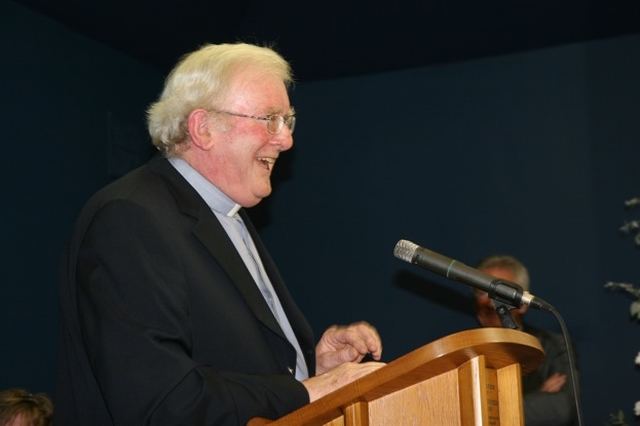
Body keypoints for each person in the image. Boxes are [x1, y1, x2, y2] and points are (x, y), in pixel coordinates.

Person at [56, 42, 384, 425]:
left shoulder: (228, 215)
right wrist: (306, 391)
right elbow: (161, 399)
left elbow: (223, 363)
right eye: (270, 118)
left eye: (287, 121)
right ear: (203, 128)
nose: (286, 139)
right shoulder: (130, 219)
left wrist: (309, 366)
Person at [472, 255, 577, 426]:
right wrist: (536, 397)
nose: (490, 302)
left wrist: (488, 415)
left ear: (523, 304)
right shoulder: (462, 351)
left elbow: (561, 409)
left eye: (500, 292)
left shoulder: (553, 345)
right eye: (482, 291)